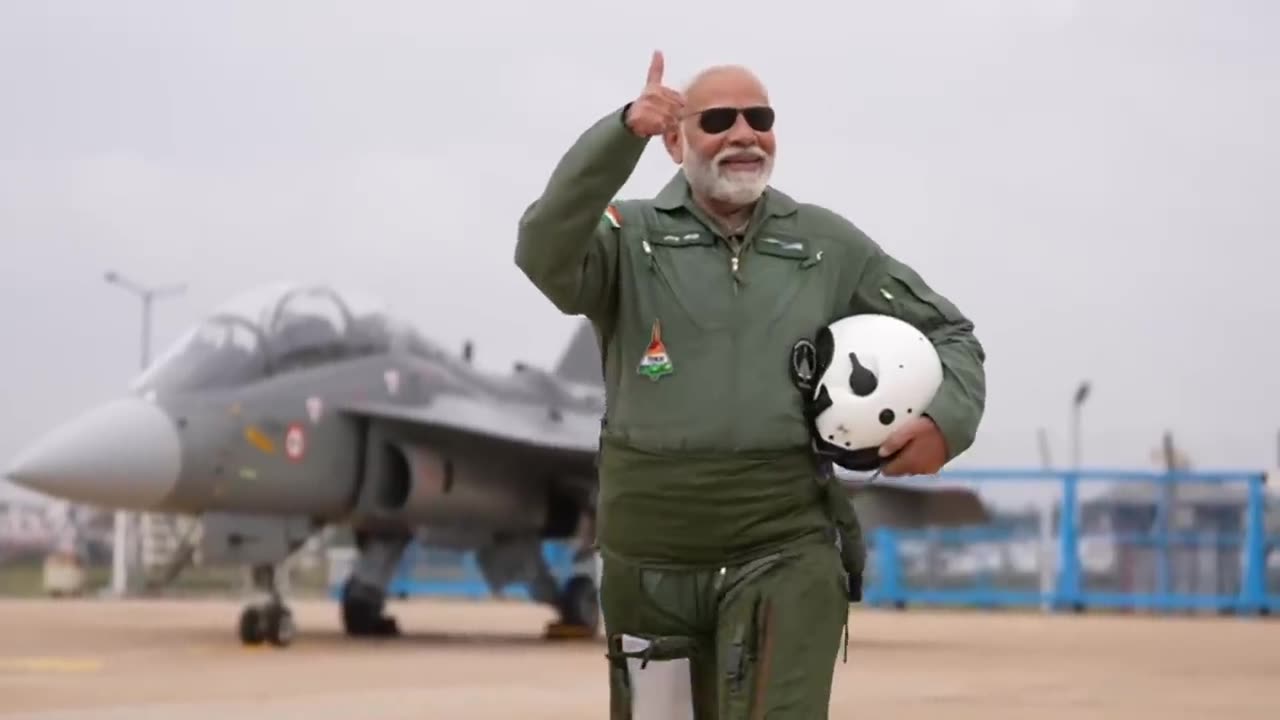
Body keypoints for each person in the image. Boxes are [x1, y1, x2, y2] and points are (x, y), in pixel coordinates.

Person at [514, 51, 986, 720]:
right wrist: (619, 134)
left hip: (781, 546)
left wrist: (947, 421)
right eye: (718, 120)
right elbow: (542, 248)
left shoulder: (825, 245)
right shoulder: (627, 239)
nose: (744, 134)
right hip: (650, 564)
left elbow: (950, 333)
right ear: (675, 141)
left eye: (759, 118)